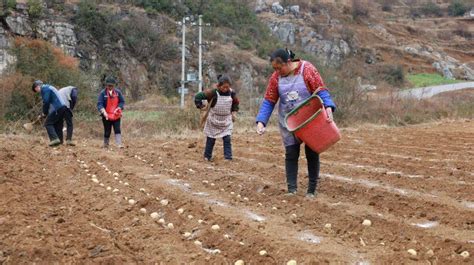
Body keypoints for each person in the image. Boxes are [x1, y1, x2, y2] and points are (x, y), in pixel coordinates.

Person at [255, 48, 336, 198]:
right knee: (291, 153)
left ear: (288, 62)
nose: (277, 71)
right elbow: (269, 100)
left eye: (279, 68)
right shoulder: (276, 78)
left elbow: (320, 90)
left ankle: (311, 190)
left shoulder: (307, 69)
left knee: (312, 152)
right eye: (275, 69)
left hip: (310, 120)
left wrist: (328, 106)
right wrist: (261, 121)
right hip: (289, 121)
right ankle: (292, 189)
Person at [194, 74, 239, 161]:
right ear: (219, 85)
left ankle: (228, 158)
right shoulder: (213, 92)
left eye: (227, 87)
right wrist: (200, 105)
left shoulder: (232, 94)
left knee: (227, 139)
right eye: (223, 87)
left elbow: (236, 103)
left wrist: (234, 112)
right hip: (213, 120)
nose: (225, 89)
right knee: (211, 139)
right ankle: (207, 156)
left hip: (226, 120)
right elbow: (198, 96)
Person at [31, 80, 67, 147]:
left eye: (36, 90)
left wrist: (45, 113)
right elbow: (49, 101)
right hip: (63, 107)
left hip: (58, 108)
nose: (37, 91)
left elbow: (46, 102)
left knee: (48, 124)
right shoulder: (48, 87)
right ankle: (60, 142)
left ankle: (55, 139)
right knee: (58, 125)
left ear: (37, 87)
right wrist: (45, 113)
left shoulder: (45, 89)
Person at [97, 76, 125, 148]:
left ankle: (119, 144)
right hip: (106, 115)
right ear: (106, 85)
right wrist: (104, 112)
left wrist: (119, 108)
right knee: (107, 130)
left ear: (114, 85)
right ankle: (106, 144)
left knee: (117, 129)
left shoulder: (118, 92)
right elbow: (99, 104)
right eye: (109, 85)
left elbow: (122, 102)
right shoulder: (102, 93)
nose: (110, 87)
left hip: (116, 114)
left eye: (112, 86)